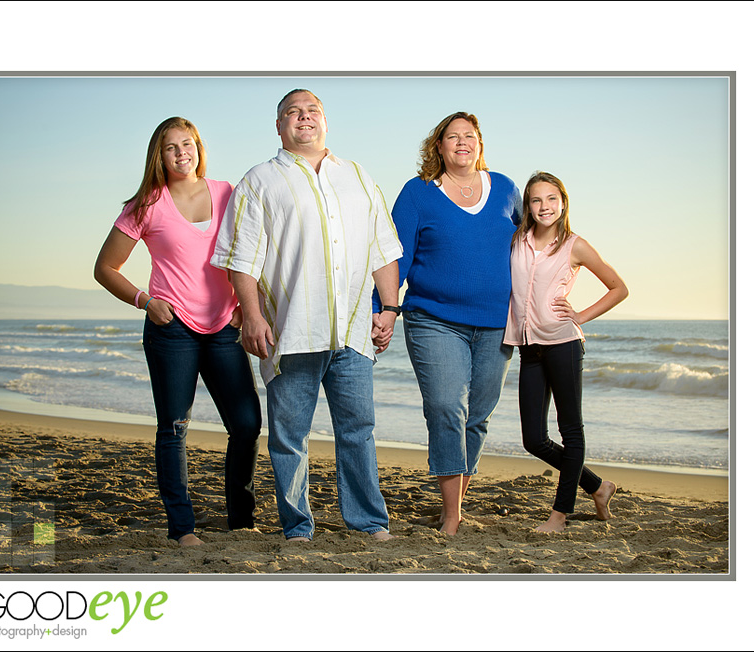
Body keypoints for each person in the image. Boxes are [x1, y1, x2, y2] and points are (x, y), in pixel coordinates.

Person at [211, 89, 402, 542]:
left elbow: (383, 250)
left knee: (358, 431)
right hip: (291, 332)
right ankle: (298, 526)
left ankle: (368, 522)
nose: (303, 118)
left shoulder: (356, 176)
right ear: (279, 127)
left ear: (326, 122)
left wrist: (390, 308)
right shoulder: (259, 181)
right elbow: (242, 259)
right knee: (289, 437)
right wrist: (252, 316)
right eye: (292, 113)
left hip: (353, 332)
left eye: (312, 111)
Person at [94, 117, 262, 546]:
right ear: (159, 155)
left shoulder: (227, 193)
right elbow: (105, 268)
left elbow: (256, 249)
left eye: (187, 144)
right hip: (172, 332)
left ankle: (241, 520)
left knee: (246, 424)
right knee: (173, 428)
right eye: (171, 147)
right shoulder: (147, 204)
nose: (181, 152)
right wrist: (145, 302)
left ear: (199, 148)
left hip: (224, 326)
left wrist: (247, 304)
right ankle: (182, 528)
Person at [375, 111, 521, 535]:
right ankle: (452, 514)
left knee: (478, 415)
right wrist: (384, 307)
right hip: (433, 318)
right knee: (445, 408)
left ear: (480, 143)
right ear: (437, 146)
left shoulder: (507, 190)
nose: (462, 142)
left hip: (496, 322)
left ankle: (456, 501)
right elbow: (396, 255)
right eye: (452, 137)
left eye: (469, 136)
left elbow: (530, 246)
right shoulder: (418, 193)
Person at [503, 171, 628, 533]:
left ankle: (560, 515)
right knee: (534, 440)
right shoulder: (517, 240)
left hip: (563, 344)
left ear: (563, 203)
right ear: (527, 206)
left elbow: (619, 288)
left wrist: (581, 315)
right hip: (529, 346)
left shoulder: (575, 245)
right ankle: (598, 486)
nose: (545, 207)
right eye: (537, 200)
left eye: (551, 199)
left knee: (571, 430)